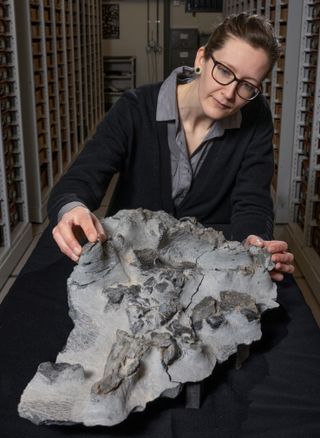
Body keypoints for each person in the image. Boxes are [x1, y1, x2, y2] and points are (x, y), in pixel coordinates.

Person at [48, 12, 294, 282]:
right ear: (201, 58)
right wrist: (73, 208)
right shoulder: (135, 107)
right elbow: (84, 175)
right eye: (224, 71)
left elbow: (253, 200)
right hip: (132, 260)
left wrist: (255, 241)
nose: (229, 93)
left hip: (206, 266)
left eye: (247, 86)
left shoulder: (256, 117)